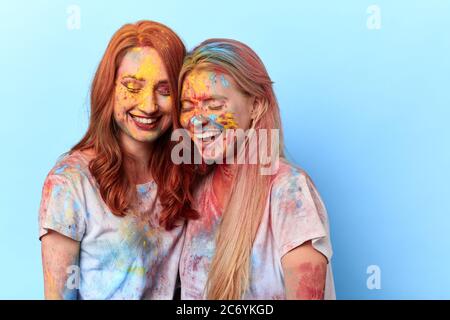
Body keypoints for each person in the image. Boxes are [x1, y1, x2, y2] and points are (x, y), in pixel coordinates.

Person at [39, 20, 196, 299]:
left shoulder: (188, 171)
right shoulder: (70, 182)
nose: (148, 106)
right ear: (108, 89)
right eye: (132, 86)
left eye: (165, 90)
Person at [176, 39, 335, 299]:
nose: (197, 120)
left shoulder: (289, 189)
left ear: (256, 106)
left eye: (215, 106)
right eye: (187, 107)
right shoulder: (198, 190)